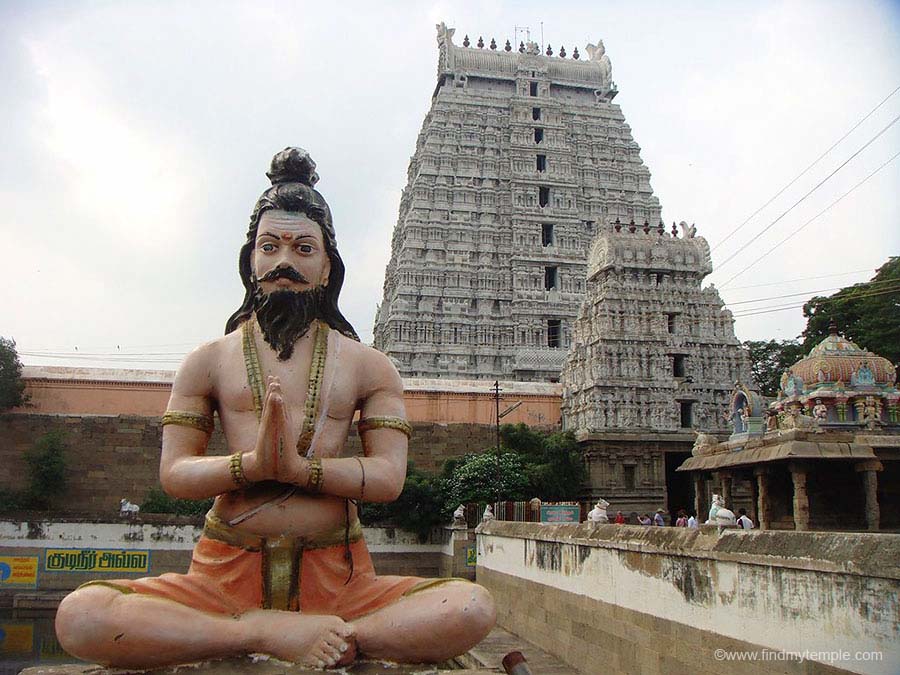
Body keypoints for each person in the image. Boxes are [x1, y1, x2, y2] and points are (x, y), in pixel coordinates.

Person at [54, 148, 496, 669]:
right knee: (81, 615)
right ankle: (256, 630)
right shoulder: (208, 361)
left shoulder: (369, 366)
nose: (284, 261)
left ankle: (326, 631)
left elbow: (388, 477)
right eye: (270, 246)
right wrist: (253, 468)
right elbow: (174, 473)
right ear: (251, 262)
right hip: (223, 574)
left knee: (470, 605)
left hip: (340, 577)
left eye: (303, 247)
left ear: (328, 266)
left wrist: (300, 471)